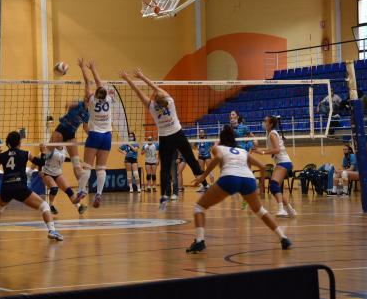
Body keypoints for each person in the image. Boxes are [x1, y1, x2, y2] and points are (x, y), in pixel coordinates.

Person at [185, 125, 291, 253]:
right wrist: (261, 188)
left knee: (199, 208)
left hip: (230, 178)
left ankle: (199, 241)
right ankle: (283, 238)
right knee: (260, 211)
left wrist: (202, 177)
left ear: (220, 139)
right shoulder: (242, 151)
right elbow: (263, 167)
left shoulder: (217, 148)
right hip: (248, 179)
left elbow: (218, 158)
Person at [121, 69, 208, 212]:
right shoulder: (170, 101)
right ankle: (204, 184)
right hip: (177, 134)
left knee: (165, 170)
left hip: (165, 138)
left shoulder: (151, 107)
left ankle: (163, 198)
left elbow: (138, 92)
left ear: (155, 100)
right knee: (192, 160)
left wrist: (127, 79)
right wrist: (143, 76)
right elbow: (156, 87)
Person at [0, 131, 64, 241]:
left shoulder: (2, 156)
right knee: (45, 206)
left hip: (6, 187)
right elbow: (41, 162)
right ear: (19, 142)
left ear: (8, 143)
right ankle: (52, 230)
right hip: (20, 187)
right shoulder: (25, 153)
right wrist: (42, 152)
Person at [75, 58, 113, 208]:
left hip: (95, 134)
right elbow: (98, 82)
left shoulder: (91, 100)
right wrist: (94, 67)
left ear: (96, 94)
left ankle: (81, 191)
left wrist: (83, 68)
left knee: (87, 166)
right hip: (107, 136)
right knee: (101, 168)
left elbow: (88, 82)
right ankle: (98, 194)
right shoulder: (109, 99)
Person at [256, 116, 297, 217]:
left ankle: (281, 210)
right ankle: (290, 210)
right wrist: (259, 150)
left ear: (270, 124)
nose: (263, 122)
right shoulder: (270, 134)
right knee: (275, 188)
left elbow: (277, 150)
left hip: (284, 162)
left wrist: (262, 152)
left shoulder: (272, 134)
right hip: (281, 162)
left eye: (265, 121)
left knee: (274, 185)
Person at [38, 144, 87, 215]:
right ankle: (50, 205)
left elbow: (62, 158)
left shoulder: (64, 148)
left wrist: (74, 160)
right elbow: (42, 158)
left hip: (57, 173)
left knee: (69, 190)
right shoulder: (51, 148)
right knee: (54, 188)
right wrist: (40, 170)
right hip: (47, 173)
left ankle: (79, 206)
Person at [51, 99, 90, 181]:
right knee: (48, 154)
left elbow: (85, 127)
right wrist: (66, 113)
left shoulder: (88, 114)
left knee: (77, 164)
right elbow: (68, 103)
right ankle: (32, 171)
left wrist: (93, 136)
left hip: (71, 135)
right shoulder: (79, 103)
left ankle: (81, 188)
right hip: (61, 130)